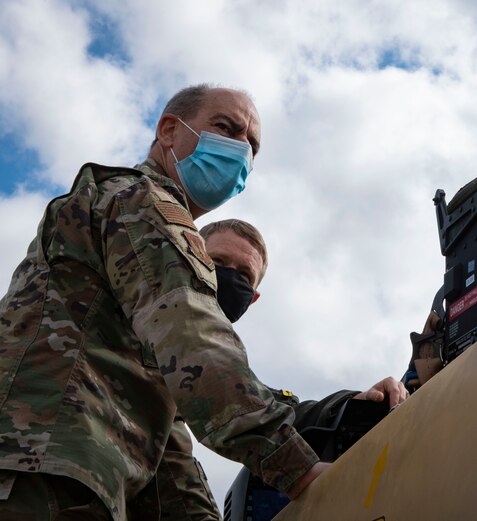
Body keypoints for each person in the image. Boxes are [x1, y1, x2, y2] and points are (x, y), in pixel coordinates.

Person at [0, 84, 325, 520]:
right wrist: (299, 468)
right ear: (170, 130)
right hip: (38, 467)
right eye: (225, 128)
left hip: (61, 471)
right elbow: (192, 338)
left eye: (251, 146)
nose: (240, 150)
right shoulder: (139, 199)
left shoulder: (140, 315)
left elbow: (168, 458)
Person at [158, 218, 408, 520]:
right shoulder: (152, 311)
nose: (227, 276)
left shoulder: (208, 382)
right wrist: (303, 472)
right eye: (218, 261)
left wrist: (352, 403)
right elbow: (225, 395)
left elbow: (265, 404)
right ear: (189, 259)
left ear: (252, 299)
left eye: (243, 274)